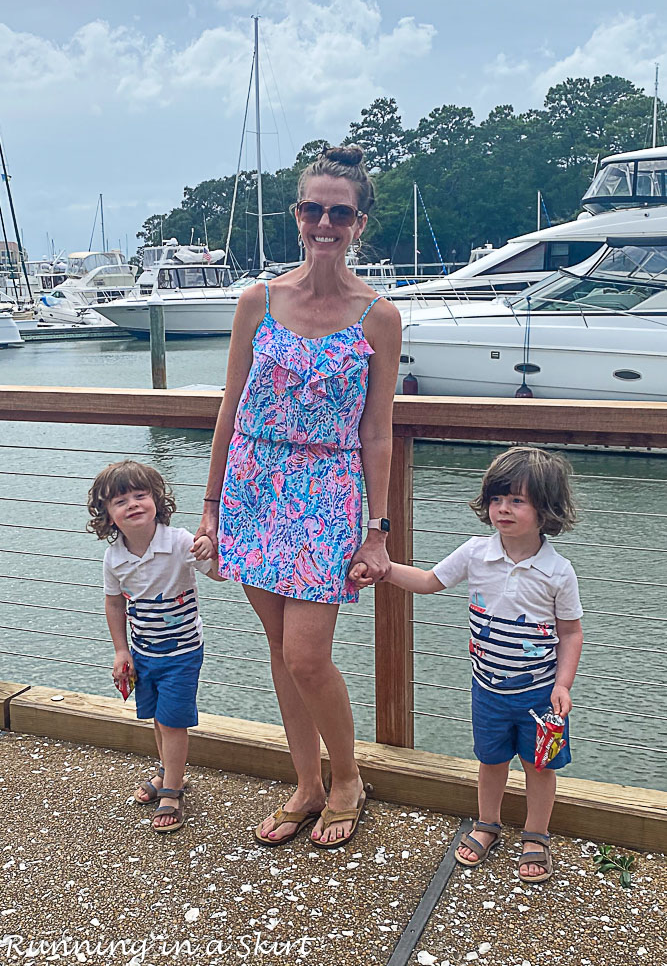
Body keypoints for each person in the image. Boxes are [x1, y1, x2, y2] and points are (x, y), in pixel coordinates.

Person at [195, 145, 402, 850]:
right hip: (253, 488)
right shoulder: (258, 300)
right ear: (296, 215)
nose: (323, 222)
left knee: (308, 655)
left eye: (338, 212)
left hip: (328, 493)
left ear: (358, 222)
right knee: (281, 651)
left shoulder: (377, 315)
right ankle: (306, 784)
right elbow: (230, 407)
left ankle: (347, 780)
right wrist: (212, 508)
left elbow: (377, 434)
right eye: (312, 209)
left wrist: (377, 529)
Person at [351, 446, 583, 882]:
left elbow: (571, 633)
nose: (503, 509)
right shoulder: (476, 552)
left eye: (517, 500)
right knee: (490, 760)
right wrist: (382, 569)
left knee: (541, 766)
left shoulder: (558, 572)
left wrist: (564, 684)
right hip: (488, 689)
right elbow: (427, 581)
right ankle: (487, 823)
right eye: (497, 499)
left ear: (546, 507)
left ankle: (536, 835)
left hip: (541, 696)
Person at [87, 460, 225, 834]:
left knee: (173, 721)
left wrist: (209, 550)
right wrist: (121, 650)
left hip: (182, 653)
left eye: (140, 495)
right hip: (143, 652)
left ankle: (173, 790)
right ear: (107, 516)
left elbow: (218, 572)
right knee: (156, 718)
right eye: (120, 501)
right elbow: (114, 602)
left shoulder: (178, 541)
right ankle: (168, 770)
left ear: (156, 501)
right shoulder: (114, 557)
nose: (132, 504)